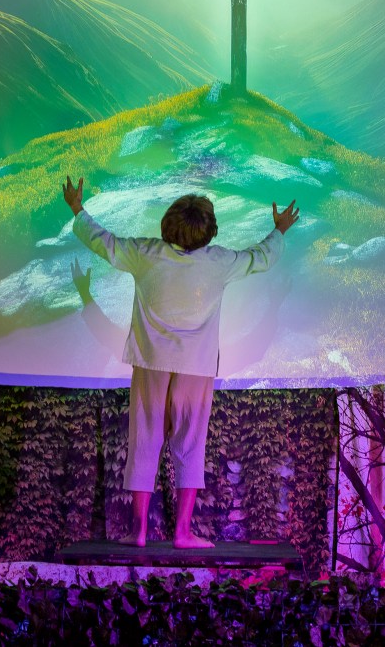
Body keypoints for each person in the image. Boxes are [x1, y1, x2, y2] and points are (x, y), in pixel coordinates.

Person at [62, 176, 299, 548]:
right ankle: (183, 533)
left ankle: (139, 532)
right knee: (190, 444)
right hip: (195, 366)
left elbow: (103, 242)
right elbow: (260, 258)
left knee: (144, 442)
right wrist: (279, 229)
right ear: (209, 231)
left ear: (168, 223)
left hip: (151, 363)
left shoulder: (145, 254)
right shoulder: (219, 262)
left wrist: (78, 208)